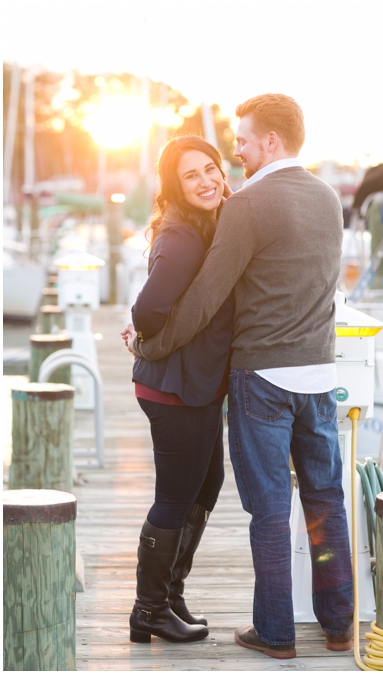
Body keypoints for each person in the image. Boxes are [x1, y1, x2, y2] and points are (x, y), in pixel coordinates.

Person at [127, 93, 352, 659]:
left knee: (270, 509)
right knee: (326, 501)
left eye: (244, 140)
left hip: (264, 379)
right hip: (321, 375)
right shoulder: (328, 198)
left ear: (270, 142)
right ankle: (338, 624)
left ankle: (276, 632)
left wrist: (150, 344)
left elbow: (203, 299)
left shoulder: (247, 205)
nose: (237, 150)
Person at [125, 135, 234, 644]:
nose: (206, 180)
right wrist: (144, 338)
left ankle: (169, 595)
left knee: (205, 486)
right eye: (192, 175)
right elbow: (147, 311)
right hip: (175, 389)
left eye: (210, 169)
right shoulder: (184, 237)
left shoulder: (206, 225)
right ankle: (149, 610)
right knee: (174, 497)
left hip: (196, 386)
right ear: (176, 185)